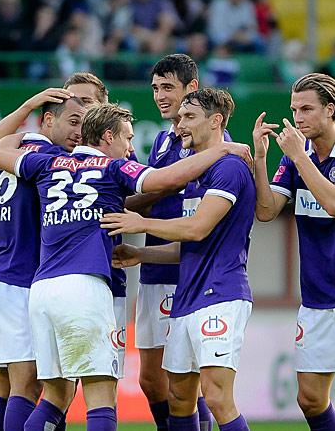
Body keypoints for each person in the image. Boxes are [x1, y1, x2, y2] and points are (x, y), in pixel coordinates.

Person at [0, 102, 252, 431]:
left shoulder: (47, 161)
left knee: (53, 396)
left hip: (42, 291)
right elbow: (168, 177)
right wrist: (223, 148)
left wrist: (32, 128)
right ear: (107, 136)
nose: (130, 148)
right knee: (100, 397)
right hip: (84, 288)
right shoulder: (113, 168)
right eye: (127, 138)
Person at [102, 88, 255, 431]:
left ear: (215, 121)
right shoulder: (196, 175)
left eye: (189, 118)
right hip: (187, 297)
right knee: (180, 397)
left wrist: (141, 224)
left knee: (215, 396)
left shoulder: (229, 168)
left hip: (221, 294)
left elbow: (197, 229)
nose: (179, 125)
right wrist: (140, 253)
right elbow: (187, 249)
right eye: (180, 118)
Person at [252, 73, 335, 431]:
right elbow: (266, 210)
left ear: (332, 109)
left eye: (307, 109)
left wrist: (298, 157)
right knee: (309, 398)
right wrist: (261, 159)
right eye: (294, 109)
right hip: (317, 296)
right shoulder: (296, 157)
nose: (298, 117)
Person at [0, 86, 88, 431]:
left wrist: (27, 104)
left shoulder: (13, 146)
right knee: (28, 385)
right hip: (16, 277)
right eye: (72, 121)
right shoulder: (43, 157)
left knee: (5, 386)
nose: (78, 133)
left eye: (83, 124)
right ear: (48, 120)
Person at [133, 53, 216, 431]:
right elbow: (151, 191)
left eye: (168, 87)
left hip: (185, 270)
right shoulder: (166, 139)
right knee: (151, 380)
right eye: (155, 88)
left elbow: (185, 204)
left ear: (192, 89)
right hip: (153, 268)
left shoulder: (212, 145)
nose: (160, 96)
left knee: (186, 383)